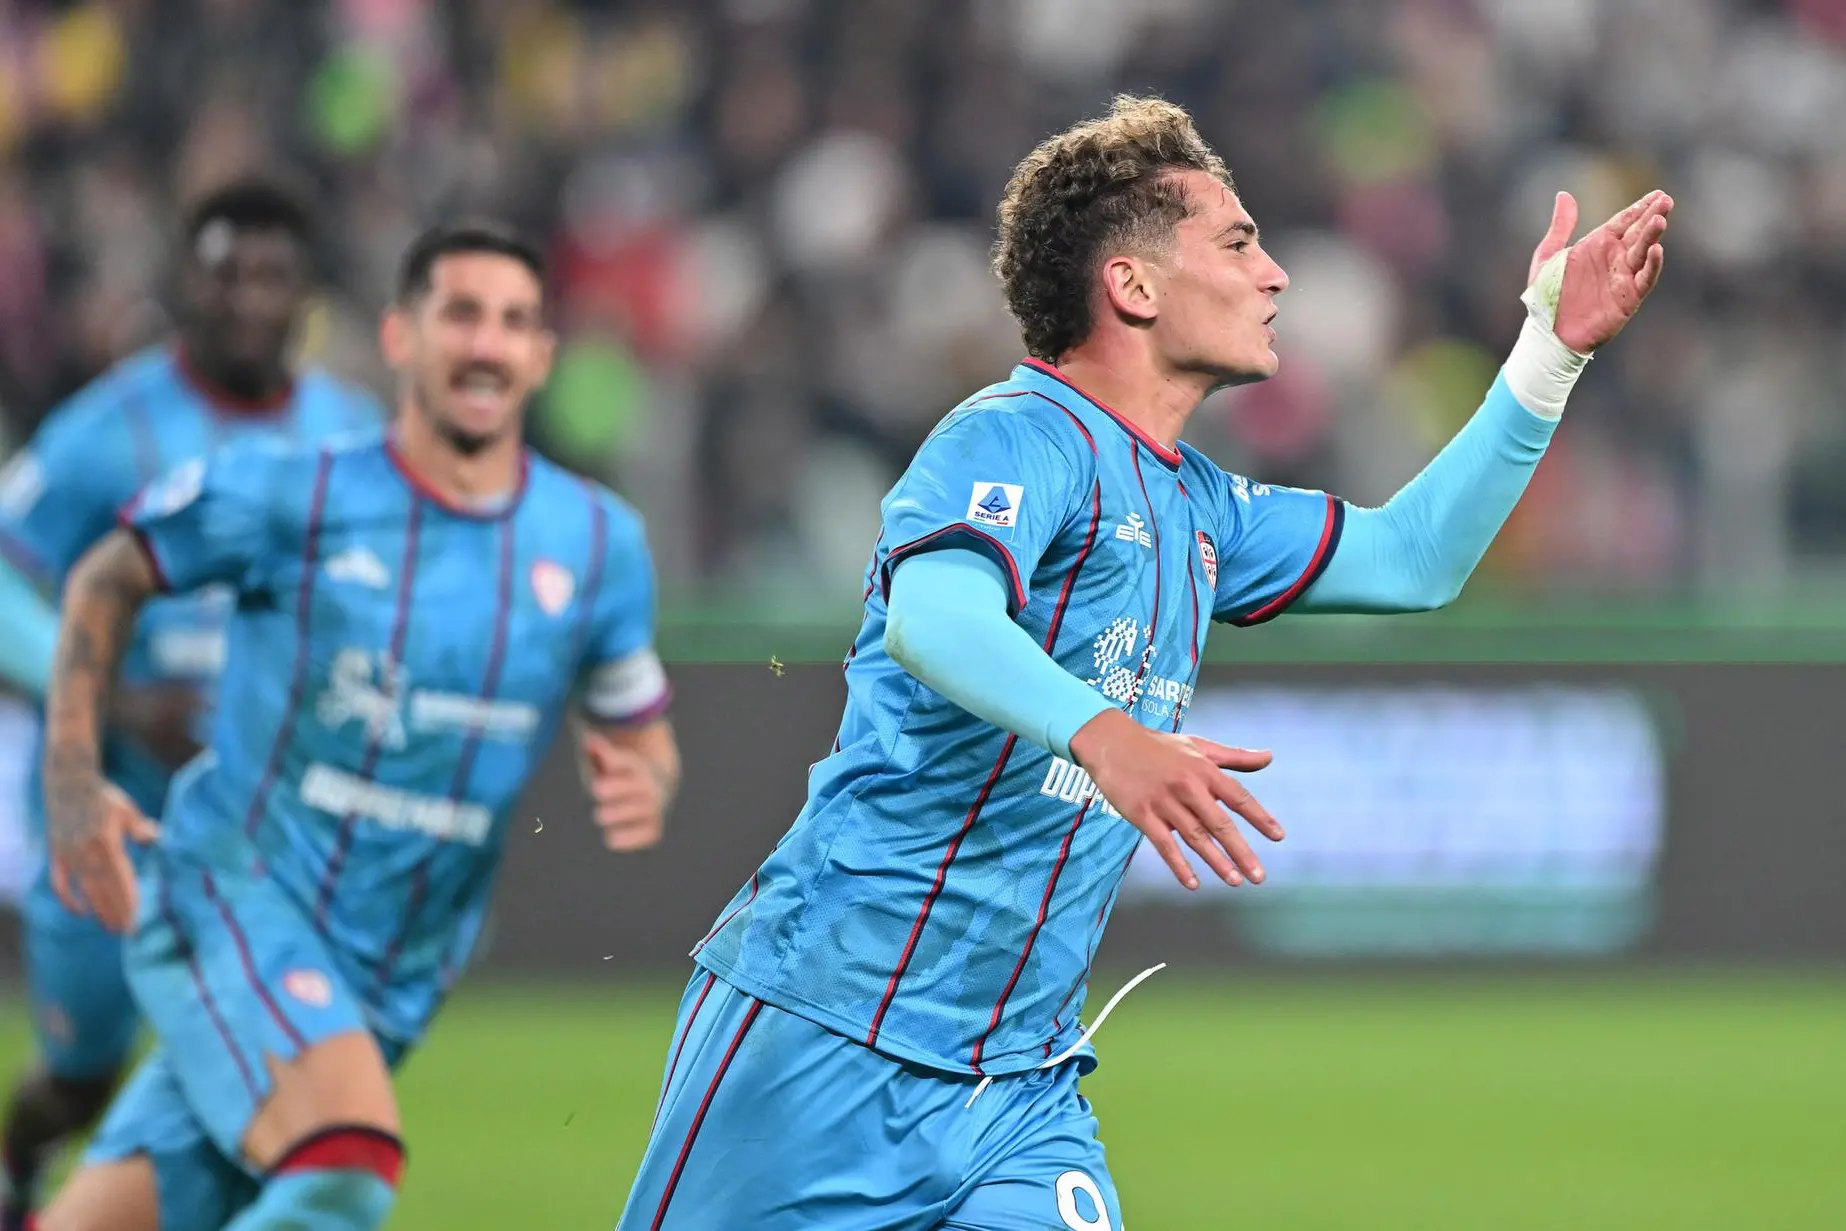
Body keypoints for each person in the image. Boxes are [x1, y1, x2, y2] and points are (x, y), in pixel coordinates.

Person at [619, 95, 1671, 1230]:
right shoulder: (1010, 434)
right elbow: (934, 615)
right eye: (1237, 243)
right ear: (1132, 286)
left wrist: (1549, 351)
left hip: (1018, 1088)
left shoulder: (1198, 504)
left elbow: (1414, 559)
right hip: (824, 1034)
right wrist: (1107, 737)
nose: (1274, 274)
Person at [34, 221, 680, 1231]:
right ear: (399, 336)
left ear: (542, 355)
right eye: (460, 314)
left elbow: (639, 726)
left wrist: (647, 776)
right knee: (343, 1163)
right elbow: (104, 575)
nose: (486, 344)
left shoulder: (599, 544)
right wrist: (73, 780)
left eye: (514, 322)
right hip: (235, 902)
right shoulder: (294, 492)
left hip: (393, 970)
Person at [0, 178, 385, 1231]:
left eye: (271, 276)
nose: (248, 298)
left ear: (305, 293)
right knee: (81, 1073)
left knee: (257, 1078)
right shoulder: (104, 429)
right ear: (187, 284)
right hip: (114, 816)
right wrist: (117, 702)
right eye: (226, 274)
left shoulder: (349, 435)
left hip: (264, 834)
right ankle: (22, 1153)